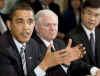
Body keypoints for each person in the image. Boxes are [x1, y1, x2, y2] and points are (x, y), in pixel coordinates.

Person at [33, 9, 85, 76]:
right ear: (37, 27)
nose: (52, 29)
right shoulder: (32, 46)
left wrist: (66, 64)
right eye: (48, 25)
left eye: (55, 24)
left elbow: (73, 66)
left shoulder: (59, 42)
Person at [0, 2, 41, 76]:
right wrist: (43, 66)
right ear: (9, 25)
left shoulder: (33, 44)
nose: (26, 27)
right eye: (20, 22)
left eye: (30, 22)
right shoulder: (2, 48)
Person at [66, 0, 100, 76]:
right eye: (89, 13)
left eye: (96, 15)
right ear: (82, 13)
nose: (92, 18)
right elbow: (73, 63)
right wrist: (93, 70)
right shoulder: (71, 36)